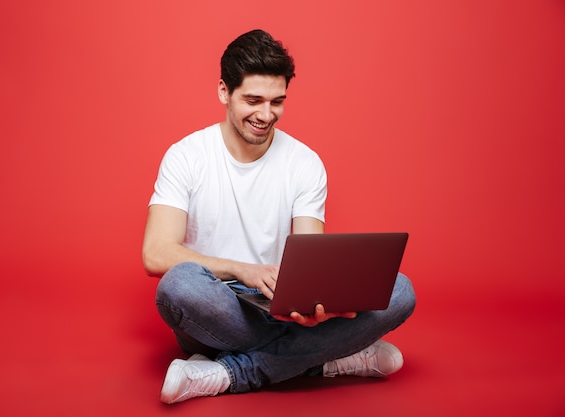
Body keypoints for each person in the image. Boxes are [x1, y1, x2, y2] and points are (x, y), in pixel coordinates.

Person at [142, 29, 416, 404]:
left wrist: (317, 304)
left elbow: (312, 260)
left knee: (400, 290)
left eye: (277, 102)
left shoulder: (304, 163)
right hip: (220, 307)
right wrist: (243, 270)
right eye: (253, 100)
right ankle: (324, 358)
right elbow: (156, 254)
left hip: (282, 304)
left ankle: (228, 373)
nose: (265, 115)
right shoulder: (185, 156)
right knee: (178, 285)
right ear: (224, 92)